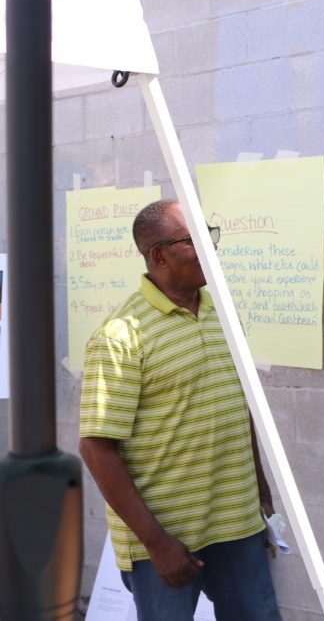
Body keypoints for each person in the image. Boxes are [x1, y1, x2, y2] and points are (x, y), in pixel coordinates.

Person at [79, 199, 281, 621]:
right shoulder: (119, 336)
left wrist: (260, 491)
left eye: (211, 236)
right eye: (195, 240)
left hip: (237, 522)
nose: (210, 248)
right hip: (165, 539)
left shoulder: (223, 314)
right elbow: (97, 449)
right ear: (159, 255)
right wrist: (156, 543)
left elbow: (236, 405)